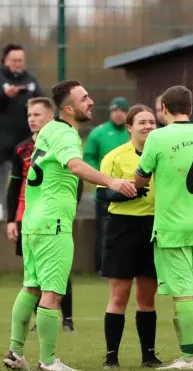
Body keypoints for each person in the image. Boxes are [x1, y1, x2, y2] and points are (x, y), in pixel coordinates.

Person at [2, 80, 136, 371]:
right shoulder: (64, 133)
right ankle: (48, 361)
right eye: (84, 98)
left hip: (33, 221)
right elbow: (75, 166)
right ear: (68, 108)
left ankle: (16, 352)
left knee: (31, 287)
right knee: (52, 293)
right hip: (53, 223)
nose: (90, 102)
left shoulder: (48, 130)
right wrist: (112, 180)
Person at [134, 85, 193, 370]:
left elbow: (140, 179)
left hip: (173, 228)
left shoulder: (158, 138)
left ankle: (189, 357)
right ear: (190, 107)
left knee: (184, 294)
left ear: (163, 109)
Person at [5, 97, 80, 333]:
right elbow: (14, 186)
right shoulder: (24, 148)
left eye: (36, 115)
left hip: (40, 217)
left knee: (41, 280)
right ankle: (44, 343)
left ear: (50, 116)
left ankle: (65, 318)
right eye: (29, 115)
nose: (31, 120)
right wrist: (10, 219)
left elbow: (75, 183)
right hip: (37, 216)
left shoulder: (54, 140)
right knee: (37, 279)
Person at [98, 104, 163, 369]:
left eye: (152, 122)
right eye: (142, 122)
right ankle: (111, 357)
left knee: (147, 297)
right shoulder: (114, 157)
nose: (148, 126)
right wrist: (123, 192)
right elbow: (101, 194)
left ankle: (149, 356)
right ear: (129, 127)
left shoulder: (162, 154)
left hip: (154, 226)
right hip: (122, 228)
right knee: (119, 295)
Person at [0, 43, 44, 221]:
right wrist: (5, 94)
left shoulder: (30, 80)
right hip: (1, 133)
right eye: (14, 60)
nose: (18, 63)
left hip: (25, 134)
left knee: (28, 170)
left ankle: (26, 205)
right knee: (1, 169)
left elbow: (42, 99)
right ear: (5, 61)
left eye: (21, 60)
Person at [83, 96, 130, 275]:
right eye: (115, 110)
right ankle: (103, 268)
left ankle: (126, 269)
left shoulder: (131, 133)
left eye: (122, 111)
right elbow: (88, 157)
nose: (118, 114)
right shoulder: (98, 133)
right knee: (105, 231)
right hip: (106, 191)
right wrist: (101, 176)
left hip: (129, 190)